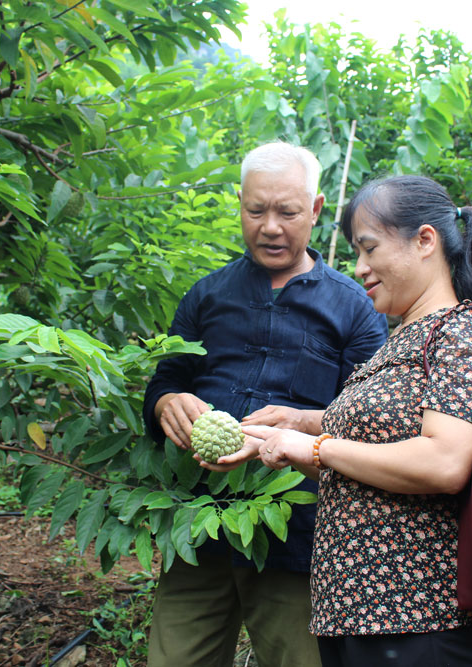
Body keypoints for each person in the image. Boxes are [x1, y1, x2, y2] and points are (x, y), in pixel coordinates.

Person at [238, 175, 472, 666]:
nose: (360, 267)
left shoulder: (464, 332)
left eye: (369, 248)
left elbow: (443, 462)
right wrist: (287, 434)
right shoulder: (403, 339)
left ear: (424, 241)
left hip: (418, 616)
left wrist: (312, 445)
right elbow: (367, 464)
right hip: (356, 612)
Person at [141, 142, 389, 667]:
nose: (270, 227)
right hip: (198, 521)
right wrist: (166, 402)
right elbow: (166, 379)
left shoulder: (355, 309)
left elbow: (370, 420)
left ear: (317, 210)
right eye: (255, 211)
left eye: (287, 212)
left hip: (294, 533)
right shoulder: (207, 296)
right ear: (240, 204)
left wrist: (303, 423)